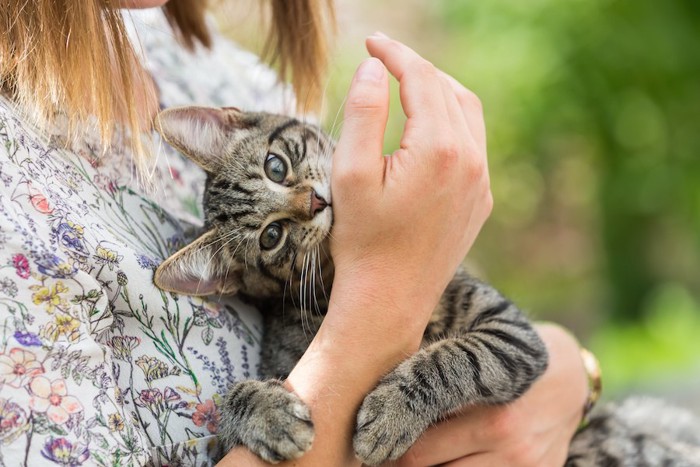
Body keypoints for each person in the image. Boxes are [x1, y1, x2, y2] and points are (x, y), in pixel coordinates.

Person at [0, 1, 588, 466]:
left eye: (276, 168)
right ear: (238, 280)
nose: (307, 204)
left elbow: (527, 353)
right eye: (276, 238)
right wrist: (388, 289)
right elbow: (279, 415)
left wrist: (575, 374)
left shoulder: (208, 65)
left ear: (240, 123)